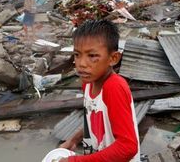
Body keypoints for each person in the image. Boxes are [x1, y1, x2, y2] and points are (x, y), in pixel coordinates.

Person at [59, 20, 140, 162]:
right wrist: (74, 140)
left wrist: (75, 161)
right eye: (77, 55)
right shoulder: (88, 83)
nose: (81, 64)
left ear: (113, 58)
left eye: (92, 56)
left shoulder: (114, 87)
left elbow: (128, 147)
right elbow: (92, 119)